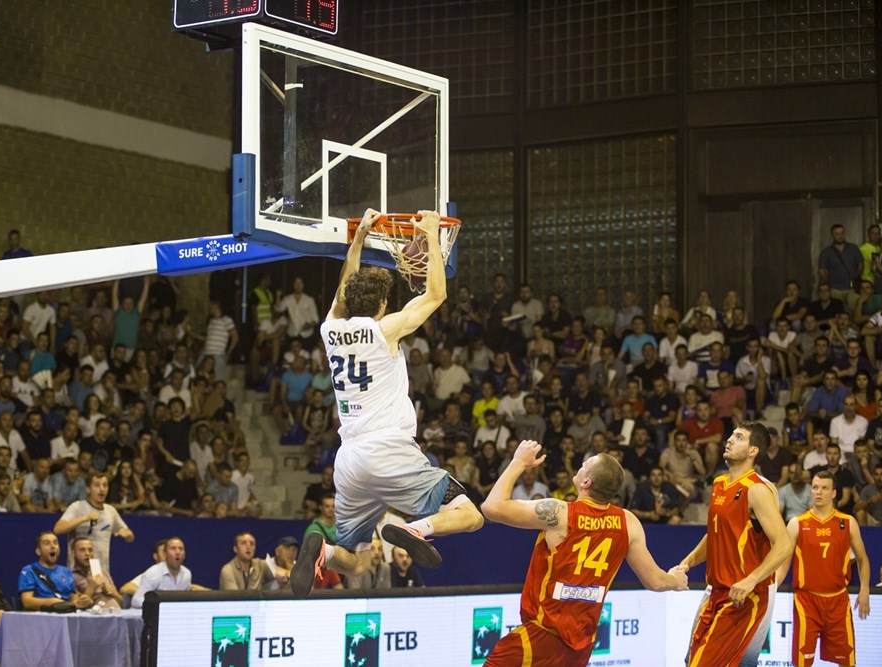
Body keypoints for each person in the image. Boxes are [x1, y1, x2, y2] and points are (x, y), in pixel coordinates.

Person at [290, 210, 483, 598]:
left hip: (349, 461)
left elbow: (345, 286)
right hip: (389, 451)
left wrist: (359, 237)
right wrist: (429, 236)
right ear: (382, 305)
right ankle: (415, 529)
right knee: (469, 515)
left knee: (357, 561)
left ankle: (323, 551)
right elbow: (436, 295)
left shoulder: (330, 330)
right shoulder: (385, 329)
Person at [481, 441, 687, 666]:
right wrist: (675, 581)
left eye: (584, 465)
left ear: (586, 482)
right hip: (581, 644)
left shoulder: (561, 513)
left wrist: (518, 461)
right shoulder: (628, 522)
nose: (580, 467)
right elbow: (656, 581)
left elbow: (492, 507)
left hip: (541, 634)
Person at [677, 423, 792, 667]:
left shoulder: (758, 490)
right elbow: (716, 534)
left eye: (738, 437)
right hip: (717, 591)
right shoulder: (719, 484)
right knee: (692, 661)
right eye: (731, 435)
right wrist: (688, 561)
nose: (729, 440)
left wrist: (752, 579)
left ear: (753, 451)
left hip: (743, 597)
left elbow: (784, 544)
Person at [774, 471, 870, 667]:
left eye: (824, 488)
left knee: (847, 662)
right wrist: (770, 589)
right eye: (815, 487)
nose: (818, 492)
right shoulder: (796, 524)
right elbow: (783, 564)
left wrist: (865, 589)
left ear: (834, 493)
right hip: (806, 601)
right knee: (802, 662)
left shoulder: (848, 522)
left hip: (838, 601)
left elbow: (862, 559)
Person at [53, 472, 134, 574]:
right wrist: (84, 518)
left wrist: (128, 534)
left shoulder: (111, 511)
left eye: (105, 485)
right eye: (97, 485)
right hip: (78, 571)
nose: (102, 489)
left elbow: (129, 535)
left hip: (102, 570)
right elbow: (57, 529)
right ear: (88, 489)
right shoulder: (77, 507)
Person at [17, 531, 92, 611]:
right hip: (41, 617)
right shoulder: (29, 570)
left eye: (55, 543)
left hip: (65, 615)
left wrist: (83, 600)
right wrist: (52, 602)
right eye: (47, 543)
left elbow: (73, 599)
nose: (53, 546)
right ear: (38, 551)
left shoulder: (66, 572)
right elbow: (27, 602)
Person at [130, 537, 193, 608]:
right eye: (173, 548)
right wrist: (160, 606)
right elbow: (136, 601)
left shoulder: (187, 574)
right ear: (165, 554)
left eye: (181, 549)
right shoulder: (153, 573)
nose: (178, 552)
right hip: (149, 616)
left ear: (184, 554)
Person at [219, 532, 288, 591]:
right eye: (244, 543)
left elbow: (282, 573)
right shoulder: (228, 570)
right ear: (235, 549)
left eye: (252, 544)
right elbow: (234, 599)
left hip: (259, 605)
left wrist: (284, 574)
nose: (248, 547)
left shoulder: (260, 564)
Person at [70, 536, 122, 610]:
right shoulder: (70, 576)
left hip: (116, 614)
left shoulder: (103, 572)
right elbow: (77, 606)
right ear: (72, 553)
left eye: (90, 550)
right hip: (95, 618)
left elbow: (122, 603)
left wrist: (114, 593)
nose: (87, 553)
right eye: (82, 550)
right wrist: (90, 589)